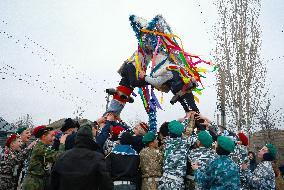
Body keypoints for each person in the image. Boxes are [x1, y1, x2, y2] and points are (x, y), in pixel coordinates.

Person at [48, 124, 113, 190]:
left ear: (76, 138)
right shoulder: (97, 158)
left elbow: (53, 183)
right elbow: (106, 185)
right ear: (91, 139)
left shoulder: (62, 157)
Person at [22, 125, 67, 190]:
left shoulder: (43, 147)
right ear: (44, 137)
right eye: (52, 136)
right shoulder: (40, 148)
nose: (54, 138)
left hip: (40, 181)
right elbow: (58, 157)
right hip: (33, 184)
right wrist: (62, 143)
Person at [158, 120, 190, 190]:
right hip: (176, 183)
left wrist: (185, 119)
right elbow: (203, 137)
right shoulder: (185, 142)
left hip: (164, 181)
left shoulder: (167, 142)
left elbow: (176, 129)